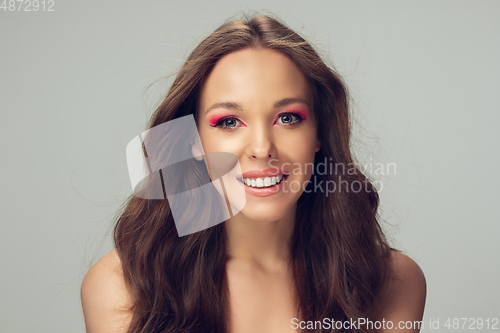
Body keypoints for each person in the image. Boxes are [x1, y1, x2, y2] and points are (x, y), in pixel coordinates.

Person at [81, 13, 426, 333]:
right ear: (194, 143)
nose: (262, 148)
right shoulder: (121, 288)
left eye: (288, 118)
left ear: (320, 133)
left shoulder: (394, 282)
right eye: (229, 122)